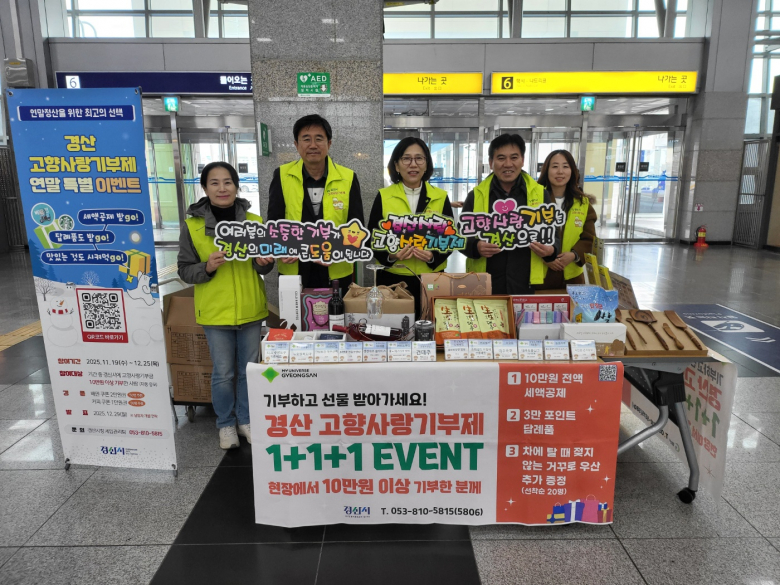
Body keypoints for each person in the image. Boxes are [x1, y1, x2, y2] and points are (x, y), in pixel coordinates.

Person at [178, 162, 273, 450]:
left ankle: (246, 419)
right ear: (205, 188)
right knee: (223, 373)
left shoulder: (255, 222)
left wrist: (263, 262)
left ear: (236, 186)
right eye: (215, 183)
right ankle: (225, 424)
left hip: (250, 308)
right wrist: (206, 267)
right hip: (215, 312)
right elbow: (184, 270)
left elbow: (263, 267)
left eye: (228, 182)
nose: (222, 188)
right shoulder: (192, 226)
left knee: (248, 370)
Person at [267, 114, 364, 296]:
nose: (313, 145)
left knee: (337, 315)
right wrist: (281, 247)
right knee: (296, 315)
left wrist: (338, 250)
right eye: (306, 139)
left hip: (336, 271)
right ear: (296, 144)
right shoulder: (282, 175)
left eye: (319, 139)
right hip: (294, 271)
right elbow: (273, 224)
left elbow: (356, 228)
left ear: (329, 143)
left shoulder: (348, 177)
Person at [461, 134, 560, 295]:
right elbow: (460, 237)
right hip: (484, 284)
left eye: (514, 157)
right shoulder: (476, 195)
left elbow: (554, 235)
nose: (508, 164)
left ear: (522, 160)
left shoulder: (541, 195)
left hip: (525, 283)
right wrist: (475, 246)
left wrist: (551, 250)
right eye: (501, 158)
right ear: (491, 163)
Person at [368, 137, 454, 317]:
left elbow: (450, 238)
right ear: (396, 165)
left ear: (426, 164)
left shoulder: (440, 196)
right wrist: (391, 255)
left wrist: (433, 256)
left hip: (432, 278)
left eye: (419, 158)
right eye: (406, 158)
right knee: (393, 328)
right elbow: (371, 238)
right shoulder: (384, 196)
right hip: (392, 279)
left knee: (430, 327)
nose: (413, 164)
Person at [536, 149, 598, 288]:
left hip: (572, 279)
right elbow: (524, 236)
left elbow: (589, 238)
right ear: (546, 170)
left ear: (572, 171)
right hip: (539, 277)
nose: (560, 172)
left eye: (565, 166)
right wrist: (546, 258)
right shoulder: (534, 200)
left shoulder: (583, 203)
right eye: (555, 166)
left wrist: (574, 255)